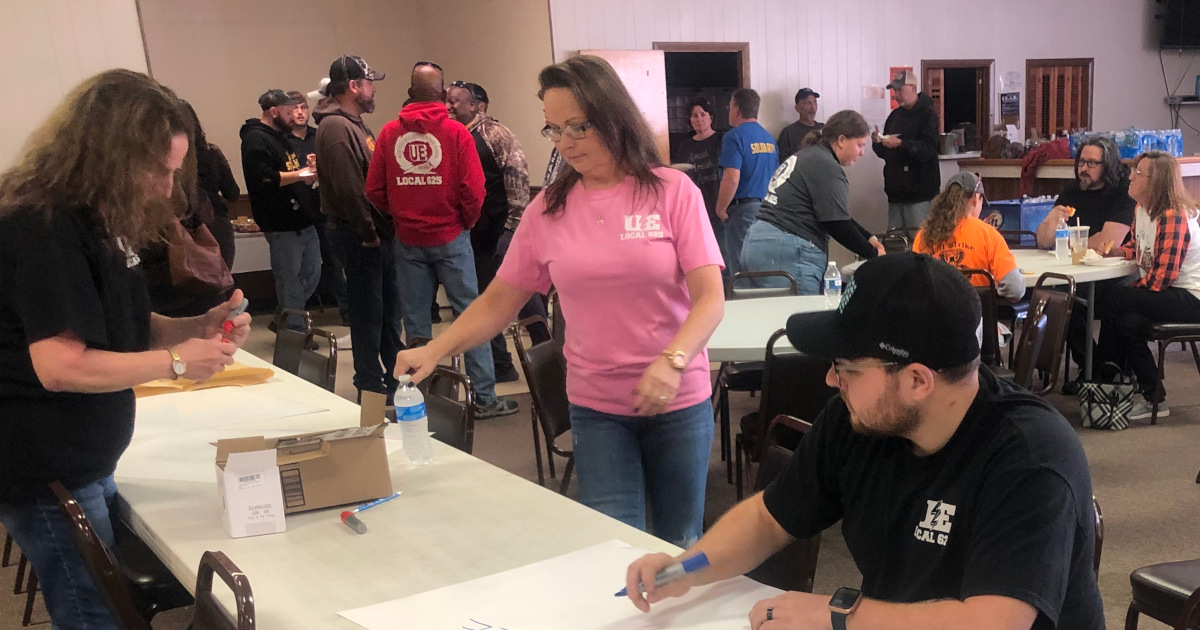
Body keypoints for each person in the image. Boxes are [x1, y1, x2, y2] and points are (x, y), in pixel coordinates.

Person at [624, 252, 1104, 630]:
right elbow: (769, 519)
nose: (832, 381)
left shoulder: (1030, 458)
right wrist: (684, 569)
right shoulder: (861, 420)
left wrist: (839, 616)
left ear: (918, 381)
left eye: (848, 368)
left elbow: (990, 623)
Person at [393, 55, 725, 547]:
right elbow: (500, 301)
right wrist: (436, 349)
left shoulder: (672, 192)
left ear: (614, 116)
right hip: (597, 408)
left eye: (578, 126)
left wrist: (672, 361)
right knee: (613, 545)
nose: (565, 142)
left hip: (678, 401)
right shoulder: (548, 210)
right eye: (554, 129)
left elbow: (710, 300)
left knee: (679, 541)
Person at [0, 69, 252, 630]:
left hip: (83, 456)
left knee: (108, 604)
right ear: (106, 155)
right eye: (156, 170)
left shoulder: (98, 221)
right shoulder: (43, 227)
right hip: (47, 464)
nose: (166, 188)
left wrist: (195, 327)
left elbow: (121, 327)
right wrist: (179, 362)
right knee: (93, 615)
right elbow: (61, 365)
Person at [367, 61, 518, 419]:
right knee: (471, 316)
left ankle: (426, 399)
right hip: (452, 237)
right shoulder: (456, 134)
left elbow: (373, 189)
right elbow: (474, 189)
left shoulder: (388, 134)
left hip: (408, 239)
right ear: (443, 95)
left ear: (408, 94)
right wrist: (462, 222)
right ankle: (484, 397)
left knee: (416, 322)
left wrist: (401, 216)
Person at [314, 55, 405, 403]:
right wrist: (369, 233)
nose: (373, 89)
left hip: (372, 234)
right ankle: (370, 382)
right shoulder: (336, 127)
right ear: (353, 86)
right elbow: (349, 189)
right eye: (370, 82)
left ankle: (393, 377)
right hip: (358, 236)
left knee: (386, 311)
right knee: (369, 313)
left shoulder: (353, 123)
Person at [1096, 151, 1200, 420]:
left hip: (1190, 297)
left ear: (1156, 182)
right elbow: (1138, 248)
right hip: (1168, 292)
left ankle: (1104, 376)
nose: (1130, 177)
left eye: (1138, 173)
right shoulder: (1142, 209)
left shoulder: (1173, 216)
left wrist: (1132, 289)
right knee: (1127, 322)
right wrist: (1118, 252)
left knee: (1115, 298)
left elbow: (1161, 278)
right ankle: (1154, 397)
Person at [447, 80, 534, 383]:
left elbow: (518, 177)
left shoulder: (494, 134)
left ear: (475, 105)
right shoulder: (455, 136)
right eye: (448, 100)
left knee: (523, 298)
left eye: (457, 101)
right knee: (485, 301)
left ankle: (547, 359)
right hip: (473, 236)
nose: (450, 105)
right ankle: (501, 364)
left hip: (501, 232)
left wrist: (513, 229)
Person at [740, 111, 883, 293]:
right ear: (841, 140)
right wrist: (873, 254)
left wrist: (868, 237)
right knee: (797, 316)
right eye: (860, 145)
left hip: (756, 242)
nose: (862, 152)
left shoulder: (809, 156)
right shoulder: (826, 166)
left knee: (768, 317)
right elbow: (836, 224)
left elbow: (835, 213)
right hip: (787, 248)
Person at [1034, 137, 1135, 392]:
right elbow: (1043, 240)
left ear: (1108, 165)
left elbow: (1108, 241)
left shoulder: (1123, 190)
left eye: (1092, 163)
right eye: (1081, 162)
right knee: (1058, 296)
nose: (1084, 168)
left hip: (1117, 273)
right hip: (1078, 272)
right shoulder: (1073, 190)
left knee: (1113, 297)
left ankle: (1102, 369)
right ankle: (1097, 368)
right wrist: (1051, 221)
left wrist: (1066, 241)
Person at [240, 88, 320, 331]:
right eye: (287, 112)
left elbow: (289, 171)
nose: (292, 116)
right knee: (290, 281)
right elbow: (264, 178)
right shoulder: (256, 138)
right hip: (280, 221)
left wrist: (304, 174)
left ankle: (284, 318)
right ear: (273, 112)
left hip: (303, 217)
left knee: (312, 273)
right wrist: (301, 174)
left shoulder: (280, 136)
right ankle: (294, 332)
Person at [289, 91, 351, 339]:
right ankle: (296, 317)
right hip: (299, 214)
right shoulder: (283, 142)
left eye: (303, 107)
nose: (301, 112)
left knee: (336, 264)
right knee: (303, 270)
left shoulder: (319, 135)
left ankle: (347, 312)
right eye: (295, 108)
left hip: (326, 210)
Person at [913, 171, 1025, 302]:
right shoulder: (987, 233)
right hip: (978, 319)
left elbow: (916, 286)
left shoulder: (923, 235)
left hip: (936, 320)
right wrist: (992, 292)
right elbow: (1015, 289)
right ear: (976, 198)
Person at [716, 87, 778, 277]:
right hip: (767, 212)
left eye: (730, 107)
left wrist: (720, 208)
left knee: (741, 272)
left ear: (736, 108)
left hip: (743, 212)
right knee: (761, 268)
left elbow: (732, 177)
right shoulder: (769, 139)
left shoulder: (733, 137)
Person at [873, 70, 940, 230]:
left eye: (899, 90)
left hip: (920, 196)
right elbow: (884, 154)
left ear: (912, 87)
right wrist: (878, 142)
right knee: (895, 244)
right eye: (894, 91)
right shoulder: (894, 116)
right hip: (896, 195)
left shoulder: (928, 114)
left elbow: (929, 149)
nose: (896, 95)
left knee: (919, 247)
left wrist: (901, 144)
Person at [182, 100, 239, 270]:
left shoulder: (168, 159)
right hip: (216, 222)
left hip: (183, 228)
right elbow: (233, 193)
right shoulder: (211, 153)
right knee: (222, 281)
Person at [674, 97, 728, 277]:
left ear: (711, 117)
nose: (699, 119)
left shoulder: (722, 140)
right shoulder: (685, 147)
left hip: (720, 205)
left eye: (703, 114)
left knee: (725, 254)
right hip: (697, 207)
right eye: (694, 116)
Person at [776, 87, 823, 160]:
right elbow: (783, 164)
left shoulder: (825, 129)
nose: (812, 107)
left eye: (814, 102)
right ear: (797, 108)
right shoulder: (788, 133)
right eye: (807, 103)